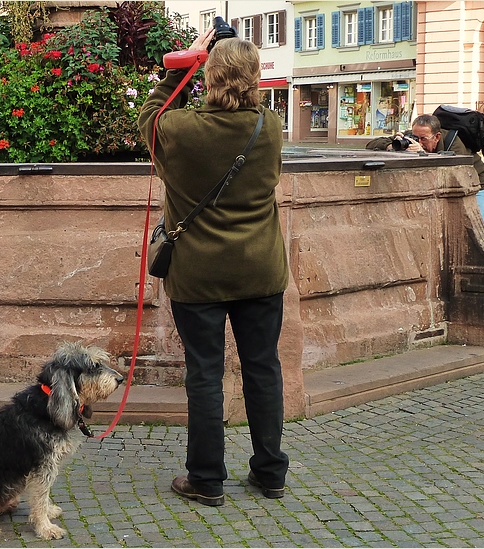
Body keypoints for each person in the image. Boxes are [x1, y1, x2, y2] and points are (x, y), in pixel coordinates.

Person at [138, 31, 289, 506]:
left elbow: (149, 117)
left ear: (207, 76)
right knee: (263, 369)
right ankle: (270, 473)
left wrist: (178, 68)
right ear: (255, 78)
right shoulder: (270, 126)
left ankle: (206, 479)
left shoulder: (180, 130)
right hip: (260, 271)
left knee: (205, 374)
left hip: (198, 274)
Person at [366, 114, 484, 228]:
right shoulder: (412, 135)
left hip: (474, 181)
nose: (418, 142)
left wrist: (423, 153)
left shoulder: (454, 143)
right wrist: (392, 145)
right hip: (441, 186)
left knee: (478, 225)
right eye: (416, 137)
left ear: (437, 137)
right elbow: (372, 144)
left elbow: (453, 170)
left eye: (423, 139)